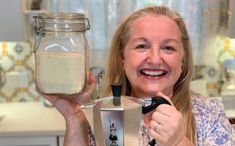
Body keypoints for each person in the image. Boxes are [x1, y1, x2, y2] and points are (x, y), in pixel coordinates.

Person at [43, 5, 235, 146]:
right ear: (122, 57)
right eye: (142, 46)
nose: (155, 58)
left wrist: (178, 142)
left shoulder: (209, 113)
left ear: (183, 60)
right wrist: (75, 117)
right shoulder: (104, 114)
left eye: (168, 48)